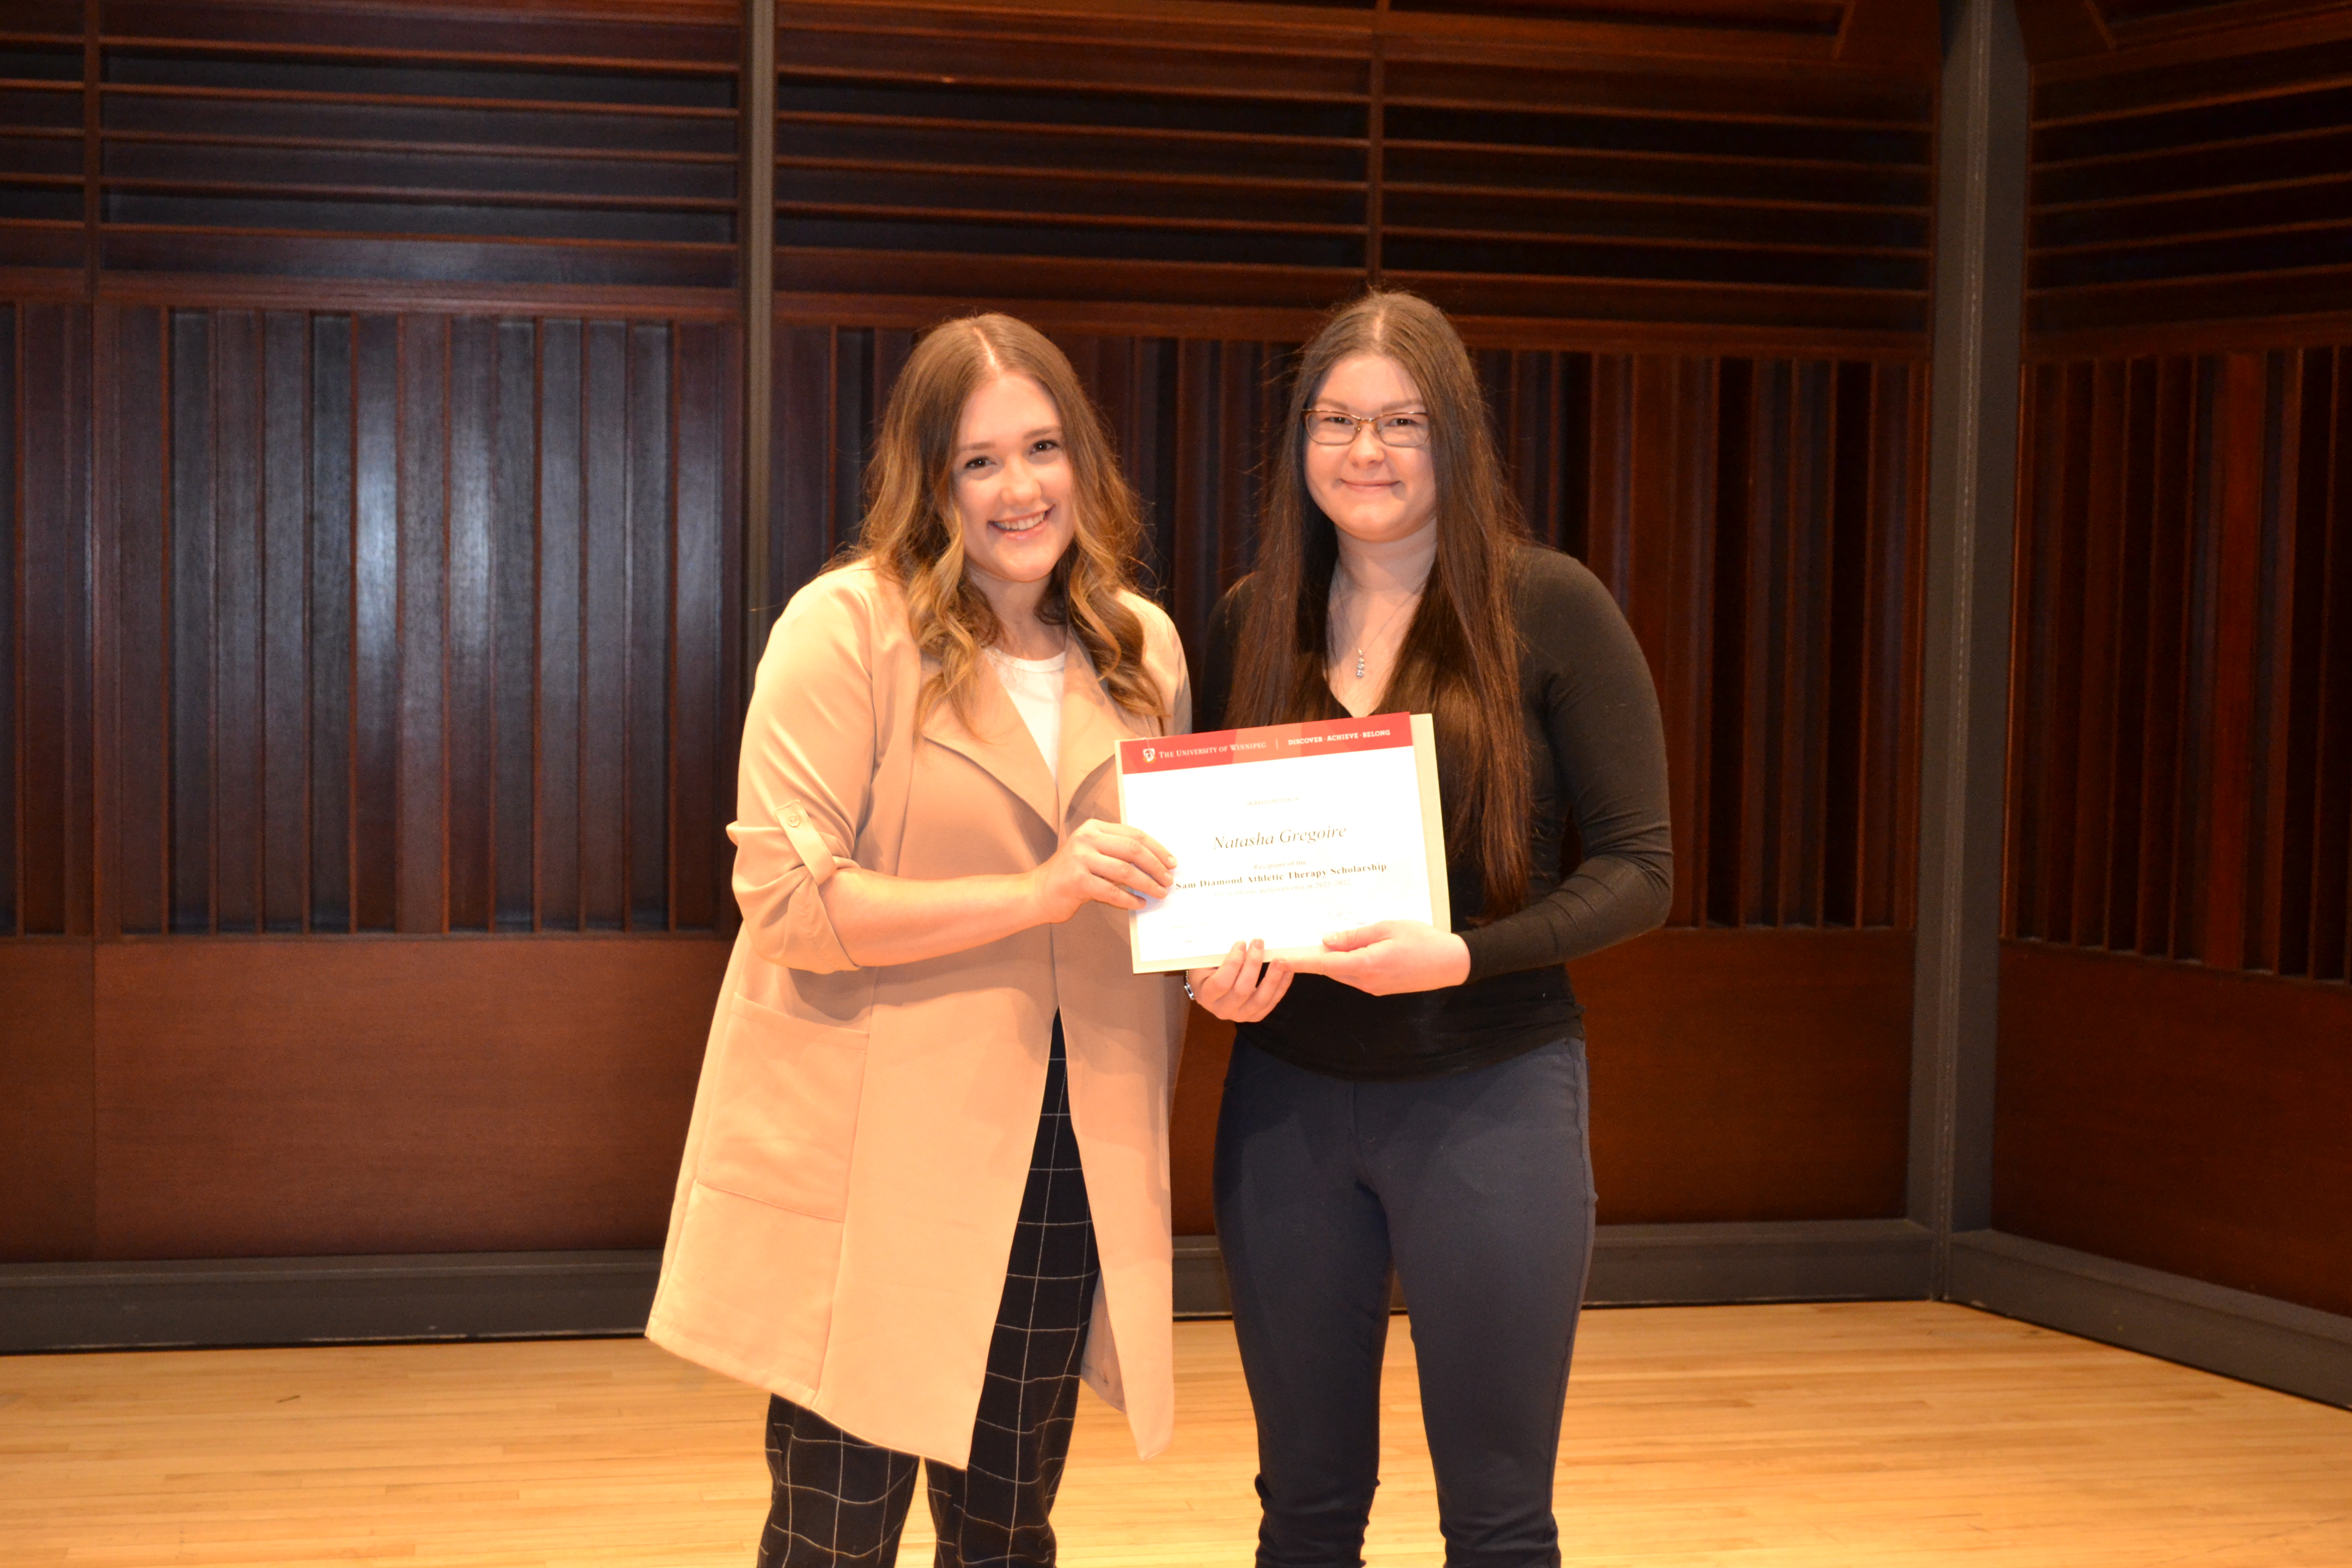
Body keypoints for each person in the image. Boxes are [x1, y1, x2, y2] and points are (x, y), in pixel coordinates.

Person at [646, 313, 1190, 1568]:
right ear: (927, 480)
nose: (1020, 489)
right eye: (978, 461)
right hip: (876, 1153)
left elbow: (1160, 889)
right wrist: (1037, 892)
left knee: (1007, 1527)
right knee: (838, 1531)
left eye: (1043, 447)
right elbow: (789, 901)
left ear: (1083, 461)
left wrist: (1227, 951)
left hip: (1069, 1143)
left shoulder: (1143, 645)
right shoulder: (845, 629)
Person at [1187, 289, 1673, 1568]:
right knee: (1302, 1508)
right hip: (1285, 1104)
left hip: (1493, 1094)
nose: (1367, 452)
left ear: (1455, 437)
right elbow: (1212, 876)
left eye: (1403, 422)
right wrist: (1215, 969)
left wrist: (1459, 954)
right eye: (1337, 420)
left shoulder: (1549, 607)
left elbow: (1640, 871)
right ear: (1301, 441)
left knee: (1499, 1521)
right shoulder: (1249, 621)